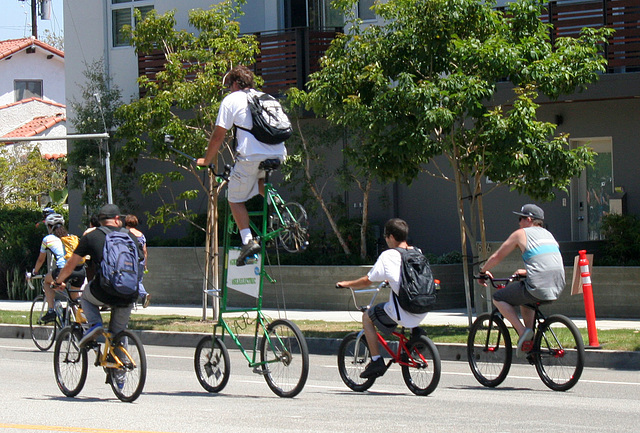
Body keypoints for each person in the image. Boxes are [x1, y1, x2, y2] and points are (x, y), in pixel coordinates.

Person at [196, 65, 287, 266]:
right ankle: (280, 205)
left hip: (251, 156)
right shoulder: (267, 98)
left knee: (234, 198)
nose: (229, 89)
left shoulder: (232, 99)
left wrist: (207, 160)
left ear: (235, 83)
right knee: (260, 178)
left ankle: (247, 241)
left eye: (229, 85)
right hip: (278, 153)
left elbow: (218, 136)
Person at [336, 218, 428, 379]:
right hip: (423, 307)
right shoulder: (417, 252)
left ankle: (376, 361)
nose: (386, 240)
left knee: (367, 317)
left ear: (391, 237)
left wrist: (347, 284)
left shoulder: (388, 256)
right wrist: (389, 279)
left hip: (403, 310)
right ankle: (416, 335)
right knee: (394, 308)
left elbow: (367, 280)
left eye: (386, 237)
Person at [479, 204, 565, 357]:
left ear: (529, 219)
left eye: (521, 218)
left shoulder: (521, 234)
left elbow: (497, 256)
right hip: (558, 284)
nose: (519, 222)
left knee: (498, 298)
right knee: (527, 301)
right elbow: (549, 263)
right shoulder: (549, 235)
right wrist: (526, 272)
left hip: (537, 286)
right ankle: (530, 345)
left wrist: (483, 271)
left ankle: (523, 331)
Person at [54, 204, 143, 348]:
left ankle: (94, 325)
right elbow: (140, 260)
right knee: (118, 333)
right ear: (116, 219)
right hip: (130, 291)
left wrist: (58, 281)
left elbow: (71, 264)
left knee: (85, 297)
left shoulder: (91, 237)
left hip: (104, 290)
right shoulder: (130, 236)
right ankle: (122, 366)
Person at [32, 214, 85, 323]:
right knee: (74, 299)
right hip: (80, 271)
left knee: (47, 282)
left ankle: (51, 311)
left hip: (63, 271)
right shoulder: (72, 237)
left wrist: (35, 271)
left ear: (50, 227)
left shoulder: (47, 239)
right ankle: (80, 327)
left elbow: (40, 260)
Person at [125, 214, 151, 308]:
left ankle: (141, 295)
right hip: (140, 260)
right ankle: (142, 296)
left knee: (128, 280)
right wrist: (145, 264)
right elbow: (144, 251)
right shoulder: (141, 235)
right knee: (138, 280)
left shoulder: (125, 233)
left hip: (128, 260)